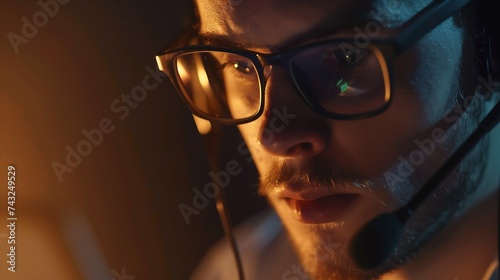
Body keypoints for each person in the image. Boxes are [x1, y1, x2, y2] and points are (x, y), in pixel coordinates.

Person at [156, 0, 500, 279]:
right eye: (239, 66)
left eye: (347, 56)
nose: (273, 138)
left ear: (489, 50)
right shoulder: (241, 267)